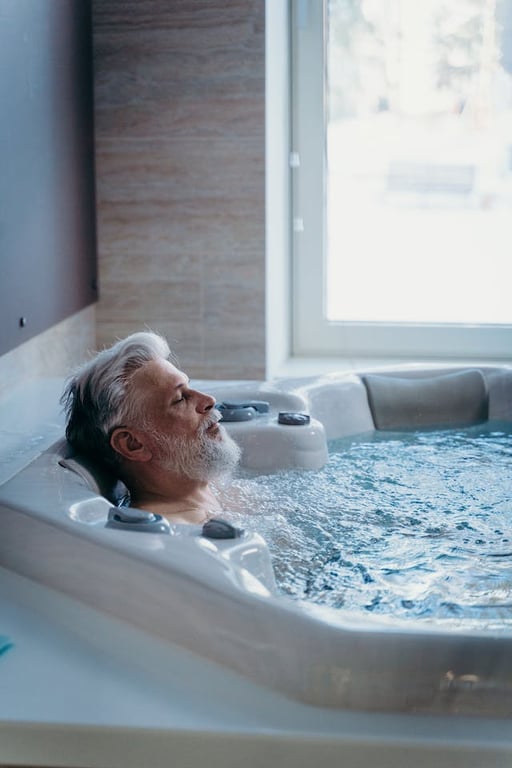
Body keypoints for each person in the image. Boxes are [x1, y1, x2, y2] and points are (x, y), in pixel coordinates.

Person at [61, 331, 241, 525]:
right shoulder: (177, 532)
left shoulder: (212, 487)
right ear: (133, 444)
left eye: (189, 386)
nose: (209, 400)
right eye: (180, 399)